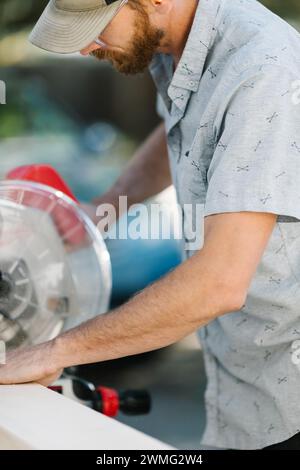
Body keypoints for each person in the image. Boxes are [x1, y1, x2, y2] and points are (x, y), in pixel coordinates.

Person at [1, 0, 300, 450]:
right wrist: (100, 210)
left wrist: (52, 351)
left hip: (288, 390)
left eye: (97, 26)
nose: (85, 47)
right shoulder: (178, 46)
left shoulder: (264, 72)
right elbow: (183, 131)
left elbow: (218, 283)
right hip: (240, 387)